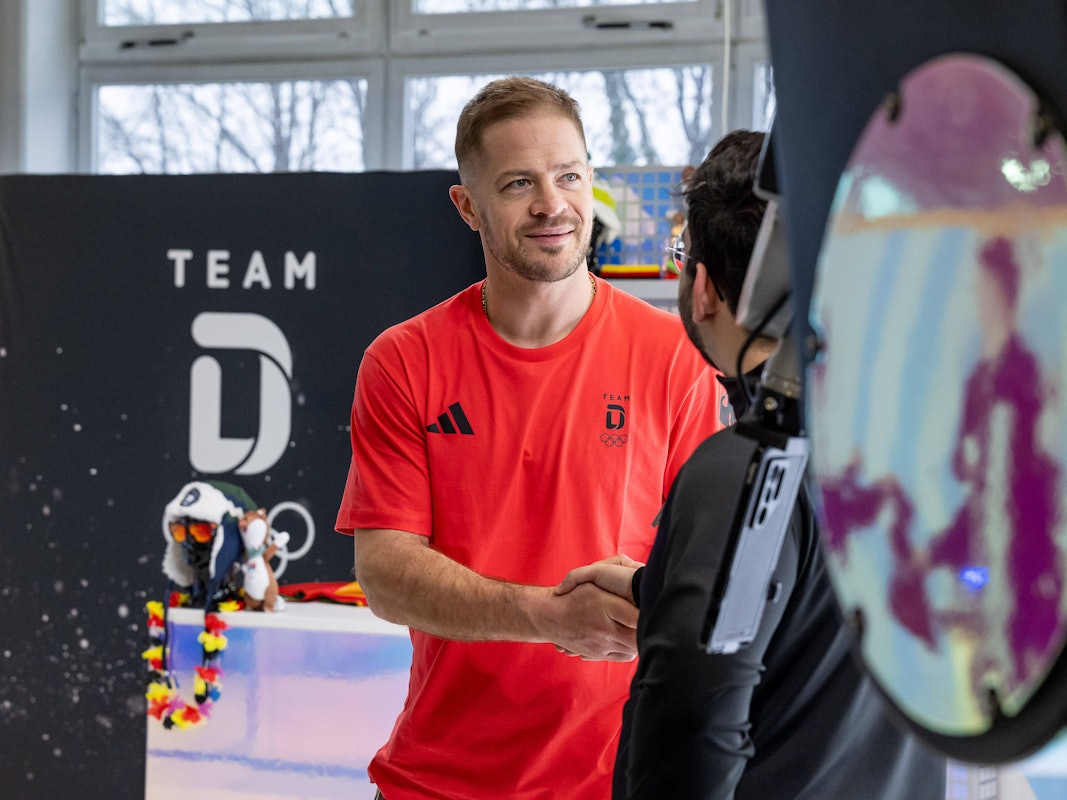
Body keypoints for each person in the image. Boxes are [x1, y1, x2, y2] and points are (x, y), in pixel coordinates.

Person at [334, 76, 726, 800]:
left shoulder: (674, 355)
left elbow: (707, 574)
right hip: (440, 781)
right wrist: (545, 616)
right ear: (467, 206)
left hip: (622, 778)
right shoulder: (403, 359)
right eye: (518, 183)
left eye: (568, 176)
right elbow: (384, 573)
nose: (552, 203)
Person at [557, 130, 947, 799]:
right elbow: (822, 617)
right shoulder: (903, 443)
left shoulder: (742, 467)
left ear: (701, 288)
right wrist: (668, 590)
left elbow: (692, 720)